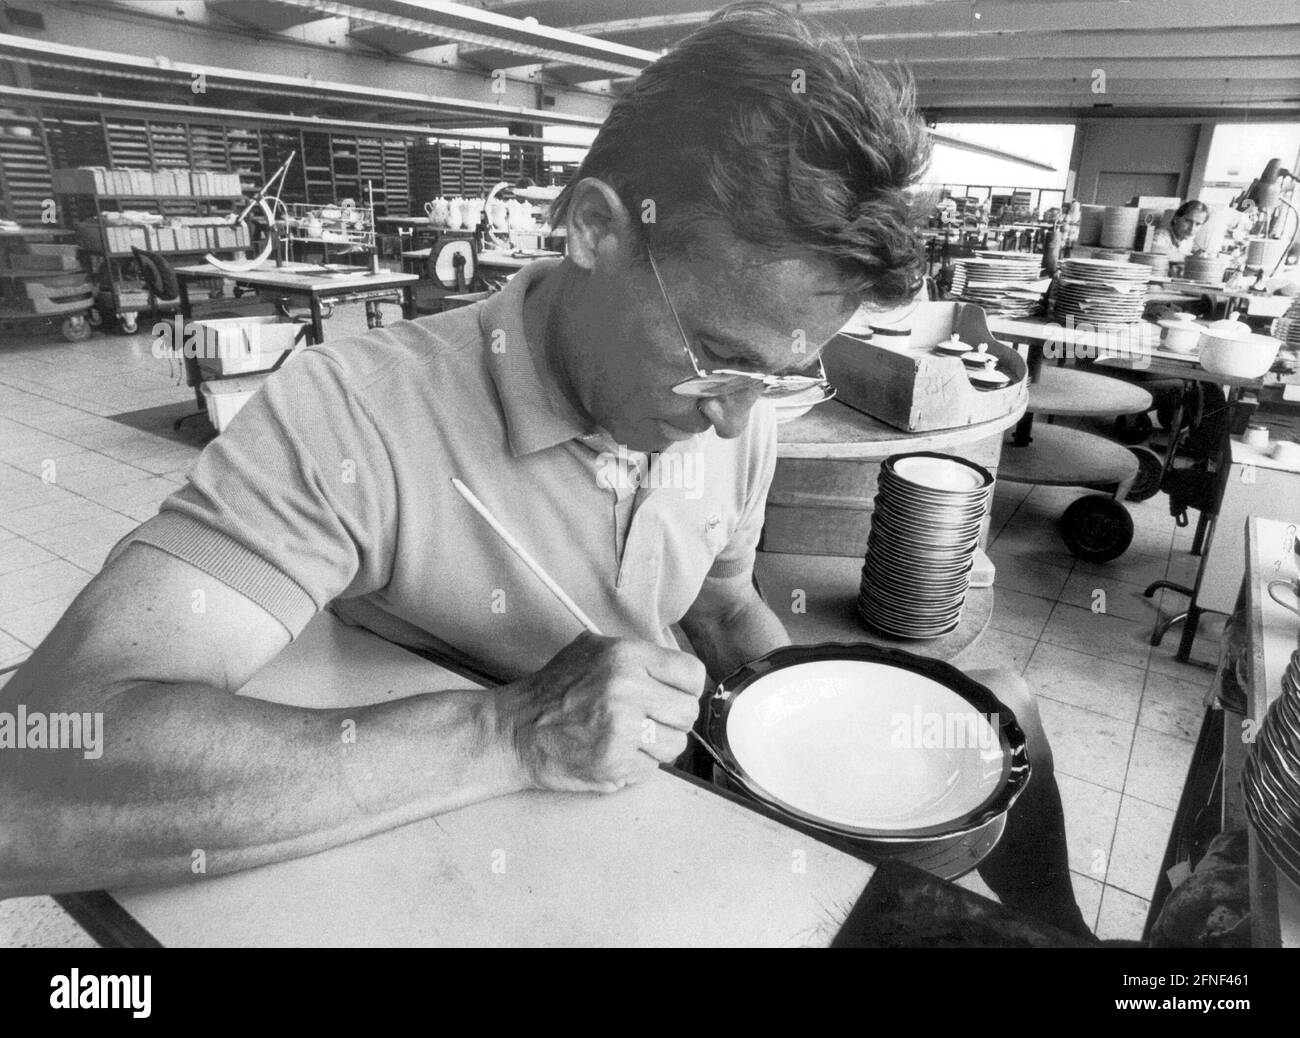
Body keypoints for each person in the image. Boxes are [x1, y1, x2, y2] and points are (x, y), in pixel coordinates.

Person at [0, 2, 1091, 939]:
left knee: (999, 705)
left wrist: (802, 715)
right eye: (715, 358)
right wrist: (509, 727)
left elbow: (718, 604)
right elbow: (37, 776)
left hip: (645, 849)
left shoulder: (736, 410)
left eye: (777, 377)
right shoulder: (352, 412)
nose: (732, 423)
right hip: (419, 876)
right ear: (595, 228)